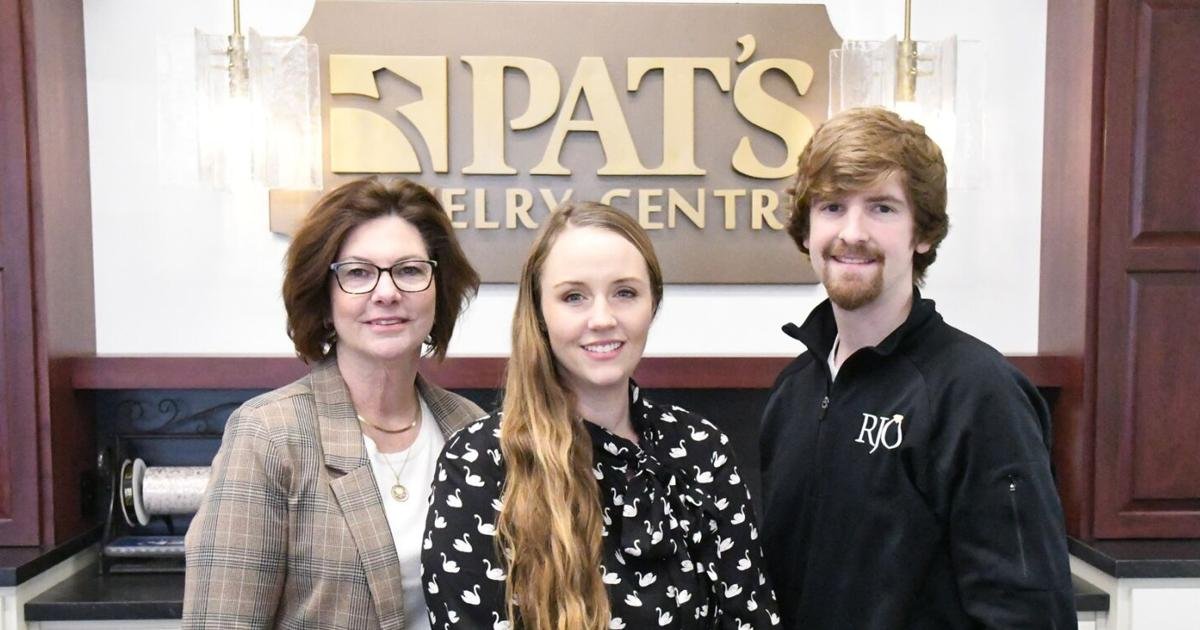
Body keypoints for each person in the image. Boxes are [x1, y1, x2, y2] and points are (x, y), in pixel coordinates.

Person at [759, 107, 1076, 628]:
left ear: (922, 233)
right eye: (833, 206)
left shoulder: (978, 394)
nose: (852, 232)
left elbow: (1029, 612)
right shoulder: (793, 391)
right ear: (807, 230)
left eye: (882, 208)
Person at [421, 202, 780, 629]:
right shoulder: (478, 462)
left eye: (625, 293)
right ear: (539, 313)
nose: (603, 319)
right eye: (574, 297)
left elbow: (752, 617)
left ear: (653, 304)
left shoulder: (701, 448)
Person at [183, 177, 483, 629]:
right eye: (358, 273)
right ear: (325, 300)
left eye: (409, 270)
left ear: (438, 291)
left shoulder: (471, 430)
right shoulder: (268, 436)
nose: (387, 292)